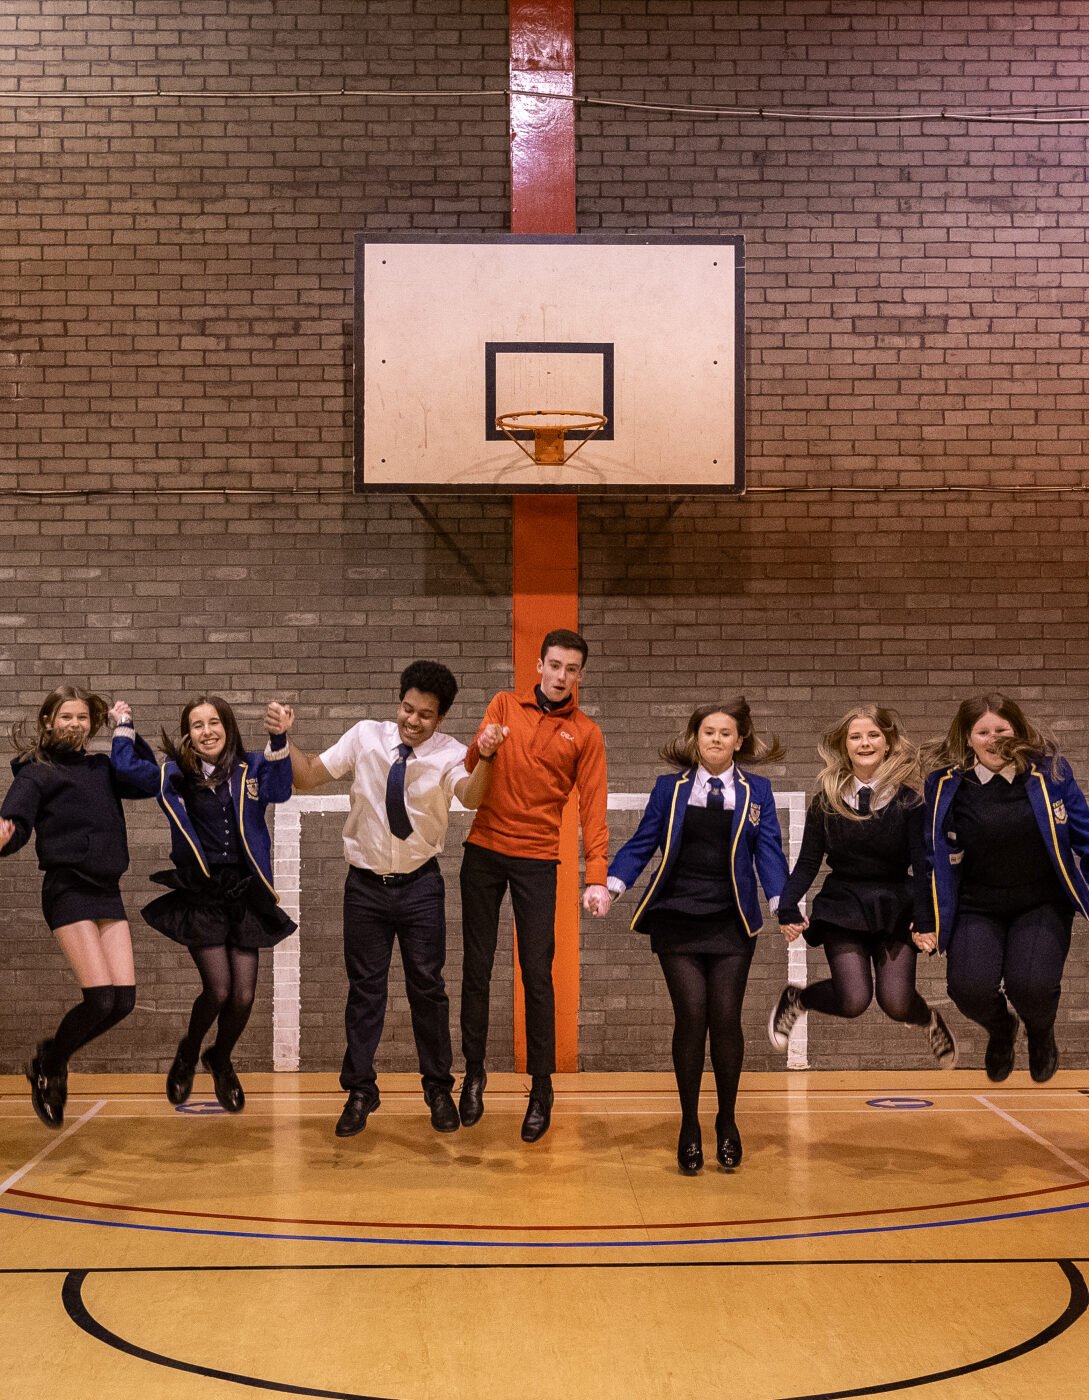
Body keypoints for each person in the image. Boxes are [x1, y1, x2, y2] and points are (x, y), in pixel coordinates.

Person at [288, 661, 505, 1137]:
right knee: (365, 991)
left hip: (420, 885)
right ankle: (361, 1090)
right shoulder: (365, 737)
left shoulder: (450, 753)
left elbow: (471, 797)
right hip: (364, 886)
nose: (413, 720)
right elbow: (306, 776)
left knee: (428, 988)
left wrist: (486, 756)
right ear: (398, 702)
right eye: (408, 708)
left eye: (425, 714)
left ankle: (437, 1088)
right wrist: (284, 738)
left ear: (440, 718)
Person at [605, 699, 788, 1175]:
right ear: (695, 737)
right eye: (707, 731)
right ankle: (689, 1125)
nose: (715, 740)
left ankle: (727, 1121)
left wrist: (782, 905)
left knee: (725, 1017)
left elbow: (769, 852)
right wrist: (611, 885)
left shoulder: (757, 792)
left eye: (725, 733)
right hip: (676, 916)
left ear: (739, 741)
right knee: (692, 1016)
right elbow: (643, 842)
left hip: (731, 919)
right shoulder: (670, 788)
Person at [458, 628, 609, 1144]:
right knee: (476, 968)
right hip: (483, 850)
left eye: (572, 669)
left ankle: (541, 1088)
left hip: (538, 860)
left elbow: (593, 807)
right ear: (539, 666)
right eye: (555, 665)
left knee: (536, 973)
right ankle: (473, 1073)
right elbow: (468, 770)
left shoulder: (586, 734)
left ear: (580, 676)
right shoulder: (503, 704)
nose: (562, 676)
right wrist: (482, 746)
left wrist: (597, 876)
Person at [110, 695, 296, 1112]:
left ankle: (221, 1059)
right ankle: (189, 1053)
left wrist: (279, 735)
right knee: (218, 989)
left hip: (245, 891)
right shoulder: (173, 775)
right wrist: (123, 724)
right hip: (203, 893)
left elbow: (280, 791)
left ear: (227, 727)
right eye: (197, 725)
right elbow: (123, 768)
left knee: (244, 996)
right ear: (187, 734)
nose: (207, 731)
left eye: (215, 722)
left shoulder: (251, 767)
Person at [768, 704, 957, 1069]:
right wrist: (788, 906)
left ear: (887, 743)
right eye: (855, 737)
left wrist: (927, 919)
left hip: (895, 905)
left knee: (896, 1003)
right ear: (845, 745)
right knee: (854, 1000)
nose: (865, 742)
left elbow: (922, 864)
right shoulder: (826, 800)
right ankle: (798, 1000)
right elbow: (808, 861)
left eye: (873, 735)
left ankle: (929, 1021)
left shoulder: (910, 801)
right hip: (844, 904)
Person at [0, 686, 155, 1128]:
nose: (75, 724)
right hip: (67, 889)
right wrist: (7, 834)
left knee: (122, 1001)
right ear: (49, 721)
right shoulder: (36, 773)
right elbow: (18, 820)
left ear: (93, 724)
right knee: (100, 996)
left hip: (107, 888)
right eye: (66, 716)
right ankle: (53, 1067)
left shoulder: (102, 768)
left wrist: (125, 729)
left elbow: (144, 779)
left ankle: (50, 1055)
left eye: (83, 718)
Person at [916, 693, 1089, 1084]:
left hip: (1041, 902)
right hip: (979, 905)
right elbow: (931, 854)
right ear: (967, 737)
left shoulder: (1051, 775)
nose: (993, 739)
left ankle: (1041, 1033)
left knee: (1031, 986)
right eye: (982, 732)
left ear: (1017, 730)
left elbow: (1085, 835)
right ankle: (1001, 1029)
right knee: (968, 989)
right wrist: (925, 916)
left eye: (1001, 730)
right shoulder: (945, 785)